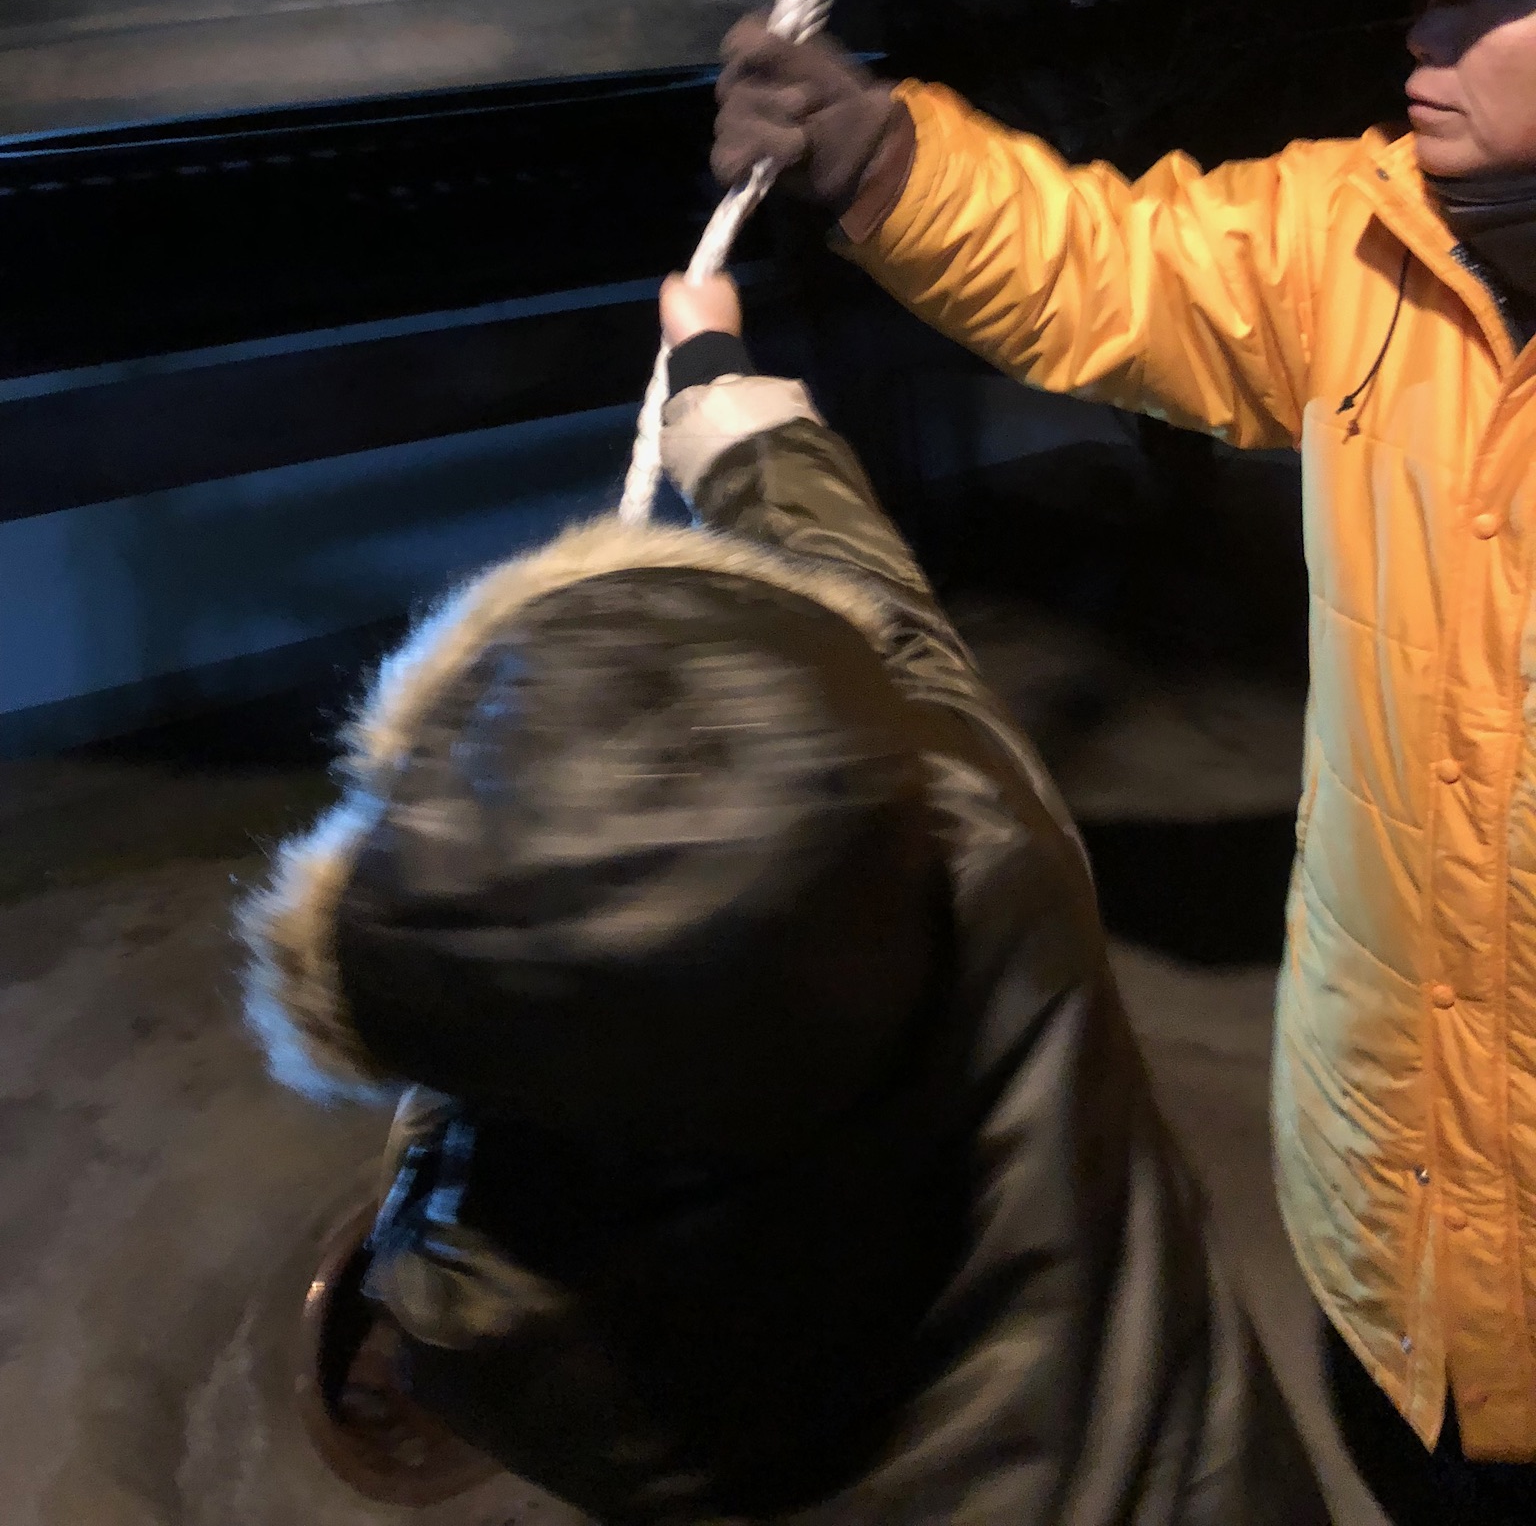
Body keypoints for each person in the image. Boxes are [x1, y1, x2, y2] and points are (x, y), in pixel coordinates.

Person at [709, 0, 1536, 1524]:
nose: (1421, 22)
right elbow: (1118, 269)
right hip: (1400, 1199)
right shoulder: (1363, 236)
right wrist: (881, 159)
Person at [239, 274, 1325, 1525]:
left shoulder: (488, 1313)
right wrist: (726, 394)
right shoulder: (982, 827)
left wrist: (443, 1039)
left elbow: (429, 1250)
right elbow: (881, 616)